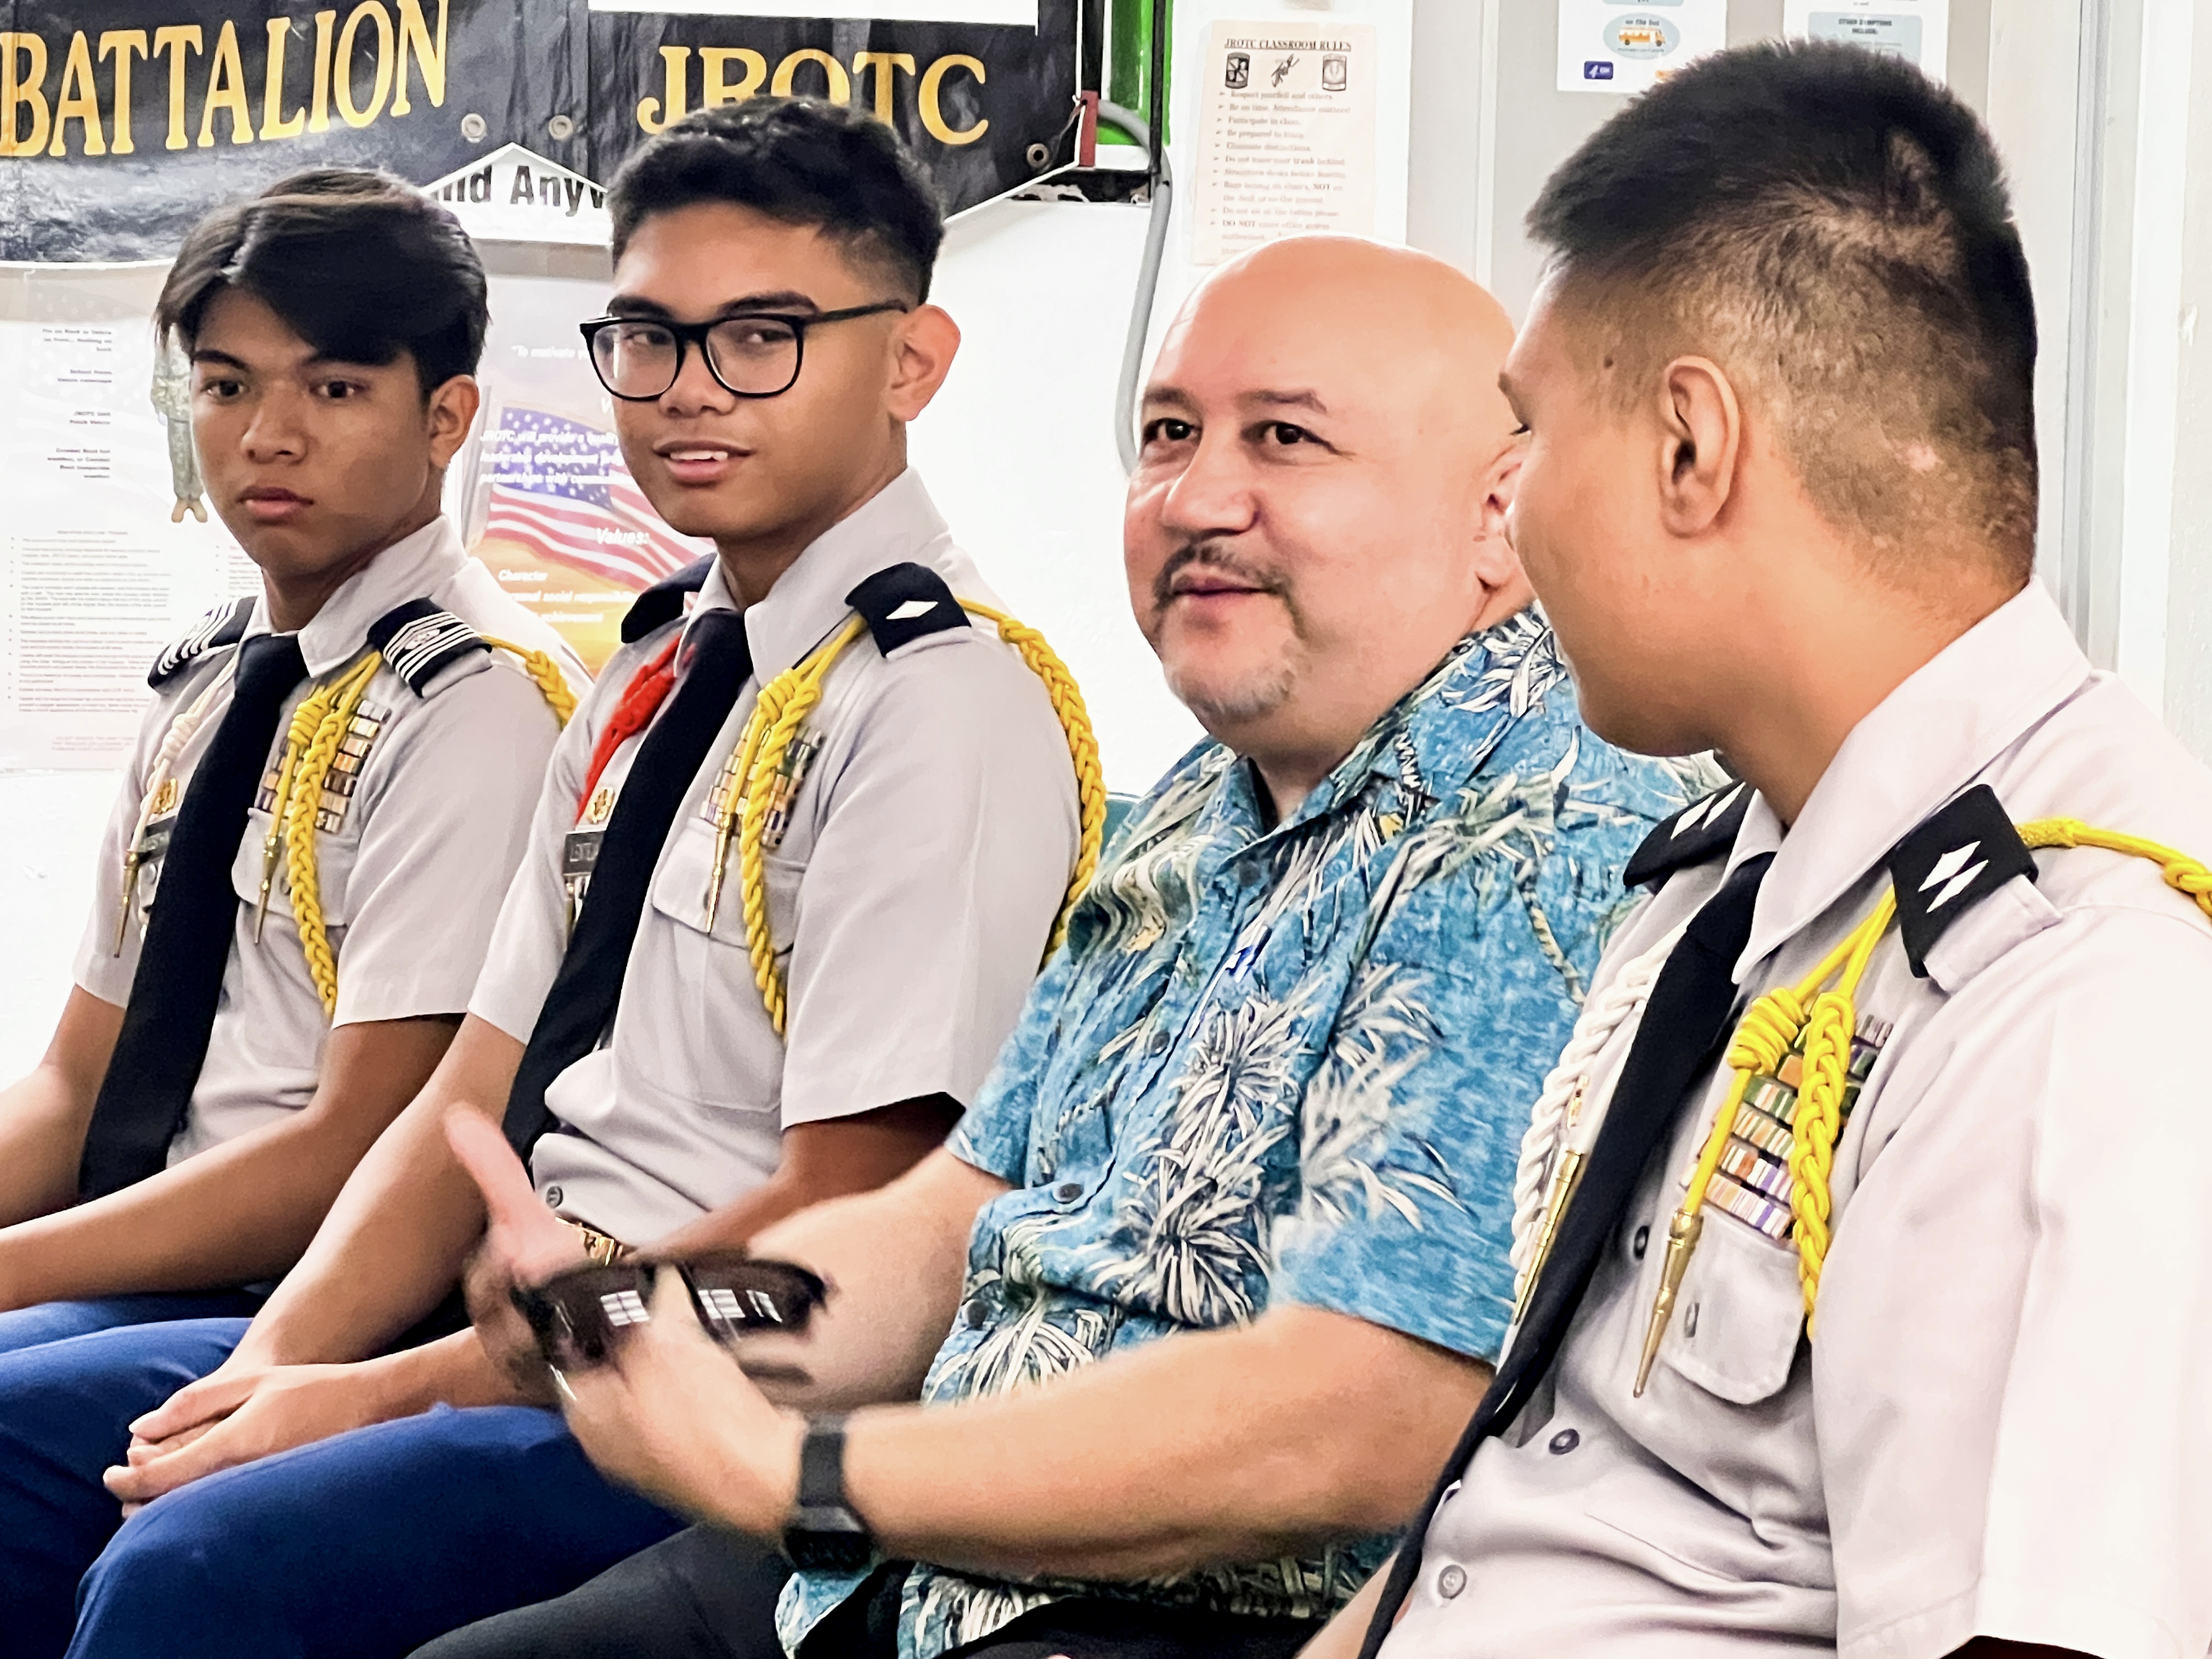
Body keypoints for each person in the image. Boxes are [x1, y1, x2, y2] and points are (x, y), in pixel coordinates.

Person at [419, 233, 1713, 1659]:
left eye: (1285, 439)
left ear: (1497, 519)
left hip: (1176, 1607)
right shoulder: (1186, 812)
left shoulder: (1537, 826)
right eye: (1168, 435)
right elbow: (945, 1224)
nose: (1194, 497)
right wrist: (645, 1311)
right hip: (925, 1558)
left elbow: (1366, 1417)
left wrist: (805, 1480)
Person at [3, 98, 1087, 1657]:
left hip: (715, 1374)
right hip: (514, 1326)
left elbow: (853, 1214)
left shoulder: (939, 701)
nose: (689, 393)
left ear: (911, 360)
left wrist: (372, 1388)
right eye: (647, 339)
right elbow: (472, 1092)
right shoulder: (651, 672)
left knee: (191, 1574)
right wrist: (277, 1368)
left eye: (762, 337)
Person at [1297, 40, 2212, 1659]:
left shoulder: (2072, 993)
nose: (1504, 514)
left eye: (1532, 435)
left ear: (1690, 450)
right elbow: (1538, 1510)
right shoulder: (1734, 875)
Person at [0, 163, 583, 1597]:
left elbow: (353, 1147)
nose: (265, 436)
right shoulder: (203, 689)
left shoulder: (483, 704)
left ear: (446, 415)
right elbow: (76, 1085)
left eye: (331, 390)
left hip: (318, 1286)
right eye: (224, 385)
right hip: (148, 1257)